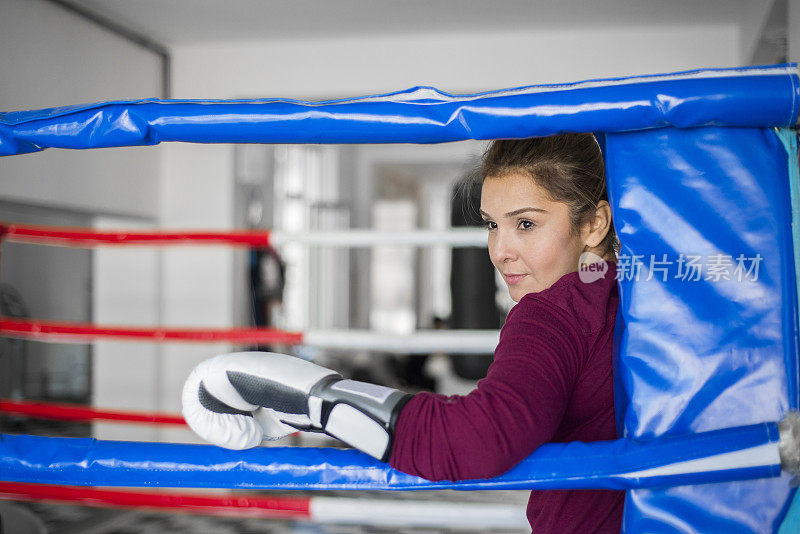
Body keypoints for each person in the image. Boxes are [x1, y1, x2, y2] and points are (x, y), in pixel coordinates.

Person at [182, 133, 623, 533]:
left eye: (525, 224)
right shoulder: (632, 290)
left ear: (594, 224)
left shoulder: (552, 314)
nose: (500, 251)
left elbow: (478, 440)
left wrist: (309, 399)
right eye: (491, 224)